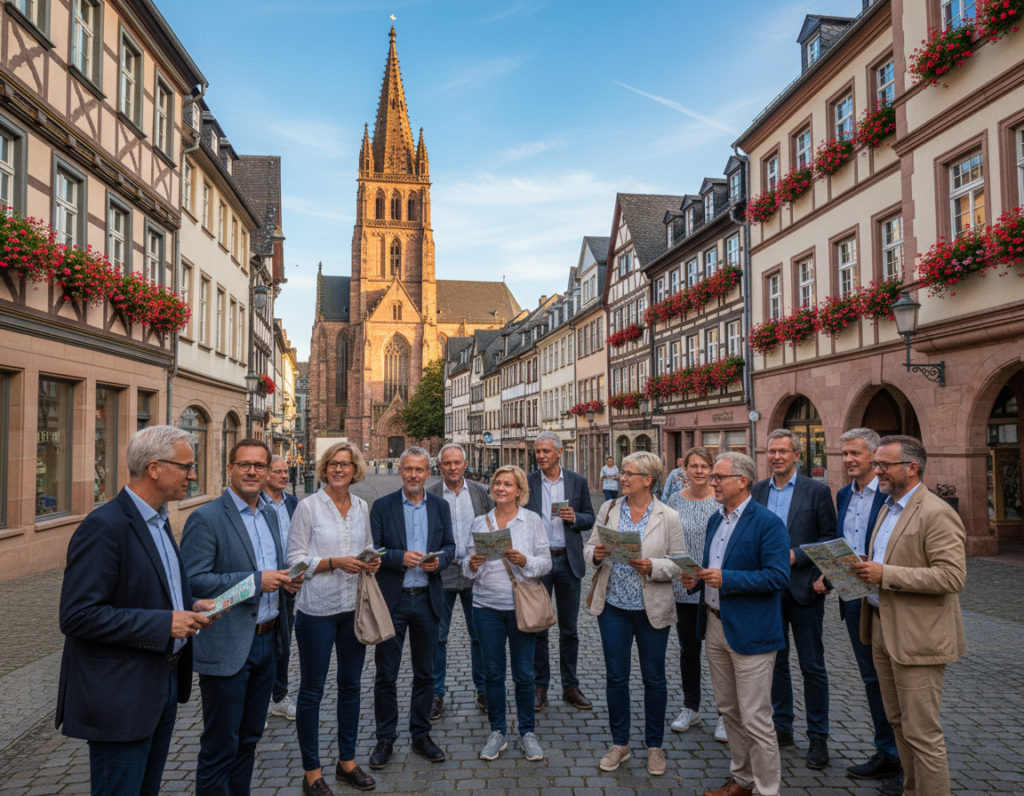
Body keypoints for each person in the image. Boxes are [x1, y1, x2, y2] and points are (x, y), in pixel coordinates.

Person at [57, 426, 216, 796]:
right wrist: (165, 623)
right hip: (122, 693)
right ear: (155, 468)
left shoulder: (159, 520)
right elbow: (77, 615)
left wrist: (191, 607)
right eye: (187, 467)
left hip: (162, 682)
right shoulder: (105, 526)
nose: (193, 476)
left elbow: (150, 591)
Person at [180, 438, 302, 796]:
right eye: (244, 464)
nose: (252, 471)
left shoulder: (269, 514)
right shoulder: (207, 517)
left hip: (267, 641)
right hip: (229, 644)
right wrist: (254, 582)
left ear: (268, 472)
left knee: (249, 738)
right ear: (230, 469)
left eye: (259, 466)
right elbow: (193, 581)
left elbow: (271, 572)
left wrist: (286, 581)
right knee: (221, 744)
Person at [850, 435, 966, 796]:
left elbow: (952, 576)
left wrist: (885, 574)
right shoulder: (889, 507)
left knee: (922, 732)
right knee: (898, 722)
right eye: (876, 464)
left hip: (919, 636)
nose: (877, 471)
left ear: (911, 468)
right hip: (883, 628)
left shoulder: (936, 511)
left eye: (883, 465)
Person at [681, 452, 790, 796]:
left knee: (756, 717)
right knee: (729, 711)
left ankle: (768, 789)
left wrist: (726, 578)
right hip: (714, 625)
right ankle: (741, 781)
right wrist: (697, 581)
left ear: (742, 481)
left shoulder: (767, 523)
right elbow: (711, 567)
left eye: (718, 477)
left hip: (752, 630)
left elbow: (777, 576)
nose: (711, 482)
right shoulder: (717, 519)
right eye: (712, 477)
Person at [584, 451, 685, 777]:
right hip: (613, 606)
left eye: (628, 474)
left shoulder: (667, 516)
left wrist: (652, 566)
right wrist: (596, 554)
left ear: (648, 480)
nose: (621, 478)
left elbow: (679, 563)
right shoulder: (609, 508)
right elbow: (590, 547)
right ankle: (620, 743)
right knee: (616, 677)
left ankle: (654, 746)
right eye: (622, 473)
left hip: (651, 609)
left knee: (654, 678)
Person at [286, 442, 378, 795]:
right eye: (333, 464)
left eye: (346, 464)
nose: (339, 469)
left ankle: (347, 762)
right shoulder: (308, 507)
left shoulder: (361, 506)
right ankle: (312, 772)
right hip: (317, 611)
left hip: (352, 608)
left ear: (355, 469)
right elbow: (294, 561)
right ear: (323, 469)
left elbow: (367, 544)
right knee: (312, 690)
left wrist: (372, 561)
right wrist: (333, 562)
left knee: (351, 687)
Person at [751, 429, 837, 769]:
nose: (776, 457)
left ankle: (818, 738)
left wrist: (797, 556)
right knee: (776, 663)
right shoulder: (757, 490)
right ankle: (782, 727)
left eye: (783, 451)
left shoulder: (816, 491)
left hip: (804, 589)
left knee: (812, 666)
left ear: (797, 455)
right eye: (772, 451)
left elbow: (830, 538)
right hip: (767, 591)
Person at [368, 447, 455, 769]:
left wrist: (440, 562)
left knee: (425, 673)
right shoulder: (382, 506)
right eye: (408, 470)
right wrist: (397, 558)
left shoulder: (441, 506)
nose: (414, 475)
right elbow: (373, 550)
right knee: (386, 675)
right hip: (393, 601)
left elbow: (450, 546)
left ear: (428, 472)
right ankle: (385, 738)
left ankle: (421, 734)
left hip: (428, 599)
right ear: (400, 470)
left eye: (419, 470)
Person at [829, 428, 901, 792]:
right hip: (853, 597)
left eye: (855, 454)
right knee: (872, 680)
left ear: (874, 457)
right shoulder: (843, 494)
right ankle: (886, 752)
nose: (848, 460)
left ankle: (906, 761)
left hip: (889, 599)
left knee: (898, 684)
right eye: (844, 454)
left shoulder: (889, 496)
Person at [464, 465, 551, 762]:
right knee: (493, 673)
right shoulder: (479, 522)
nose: (501, 488)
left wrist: (525, 560)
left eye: (508, 484)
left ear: (519, 491)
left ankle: (527, 732)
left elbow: (545, 563)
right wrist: (473, 564)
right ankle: (498, 731)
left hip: (521, 608)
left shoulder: (532, 521)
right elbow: (466, 567)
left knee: (525, 674)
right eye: (497, 483)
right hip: (485, 607)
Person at [525, 431, 596, 711]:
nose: (540, 456)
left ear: (559, 452)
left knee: (569, 629)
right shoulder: (528, 482)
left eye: (545, 451)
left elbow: (590, 517)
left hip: (567, 560)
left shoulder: (577, 482)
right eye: (537, 452)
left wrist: (575, 518)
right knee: (539, 628)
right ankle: (540, 687)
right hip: (540, 562)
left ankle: (570, 686)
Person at [426, 443, 494, 719]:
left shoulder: (480, 493)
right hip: (441, 573)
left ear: (465, 464)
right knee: (437, 638)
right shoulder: (430, 495)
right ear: (439, 466)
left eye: (457, 463)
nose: (452, 467)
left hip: (475, 572)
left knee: (479, 636)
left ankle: (483, 690)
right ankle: (436, 694)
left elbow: (493, 526)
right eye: (447, 463)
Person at [666, 447, 723, 739]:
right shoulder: (675, 499)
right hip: (684, 584)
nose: (699, 471)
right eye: (694, 466)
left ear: (712, 470)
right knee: (689, 649)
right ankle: (691, 707)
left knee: (721, 652)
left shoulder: (721, 499)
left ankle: (726, 714)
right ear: (684, 470)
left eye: (704, 466)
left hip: (715, 584)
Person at [265, 455, 300, 722]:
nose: (284, 476)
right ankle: (259, 699)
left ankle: (279, 696)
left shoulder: (292, 502)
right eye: (278, 471)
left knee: (284, 643)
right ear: (266, 474)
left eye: (286, 471)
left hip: (288, 583)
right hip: (264, 582)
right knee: (260, 643)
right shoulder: (257, 503)